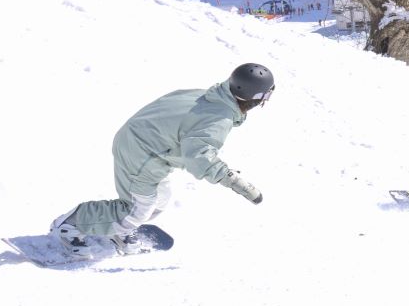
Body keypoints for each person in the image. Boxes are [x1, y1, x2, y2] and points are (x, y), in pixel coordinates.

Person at [51, 63, 272, 257]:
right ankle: (70, 225)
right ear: (255, 99)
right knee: (137, 210)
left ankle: (119, 230)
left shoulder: (209, 95)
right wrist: (233, 180)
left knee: (159, 201)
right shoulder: (219, 118)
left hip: (147, 148)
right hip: (143, 154)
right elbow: (198, 157)